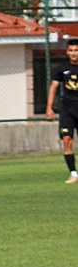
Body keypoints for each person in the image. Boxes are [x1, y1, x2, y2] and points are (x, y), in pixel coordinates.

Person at [44, 38, 78, 185]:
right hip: (67, 109)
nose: (74, 53)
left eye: (76, 50)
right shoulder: (61, 68)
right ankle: (73, 173)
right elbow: (54, 87)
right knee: (67, 139)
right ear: (67, 52)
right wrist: (49, 107)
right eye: (71, 50)